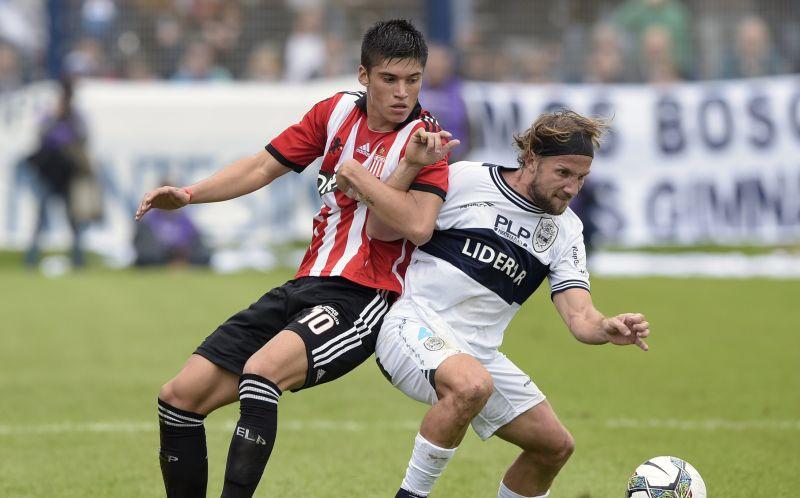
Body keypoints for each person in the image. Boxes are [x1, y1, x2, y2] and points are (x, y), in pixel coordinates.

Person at [134, 19, 458, 498]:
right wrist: (188, 194)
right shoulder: (335, 112)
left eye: (413, 80)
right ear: (363, 75)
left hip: (363, 296)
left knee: (261, 374)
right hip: (304, 284)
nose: (401, 92)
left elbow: (414, 226)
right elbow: (264, 165)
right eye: (389, 79)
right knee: (178, 398)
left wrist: (395, 167)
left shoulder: (427, 142)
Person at [336, 109, 650, 498]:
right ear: (532, 159)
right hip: (413, 324)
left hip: (478, 356)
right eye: (564, 173)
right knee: (471, 385)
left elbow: (581, 315)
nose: (572, 188)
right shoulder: (467, 180)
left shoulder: (566, 230)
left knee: (554, 447)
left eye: (581, 178)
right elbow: (383, 228)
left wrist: (606, 327)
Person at [25, 77, 100, 269]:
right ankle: (31, 259)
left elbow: (84, 138)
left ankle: (78, 258)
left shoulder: (76, 119)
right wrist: (56, 117)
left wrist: (69, 119)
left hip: (68, 178)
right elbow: (41, 136)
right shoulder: (49, 118)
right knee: (41, 219)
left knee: (73, 220)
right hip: (49, 177)